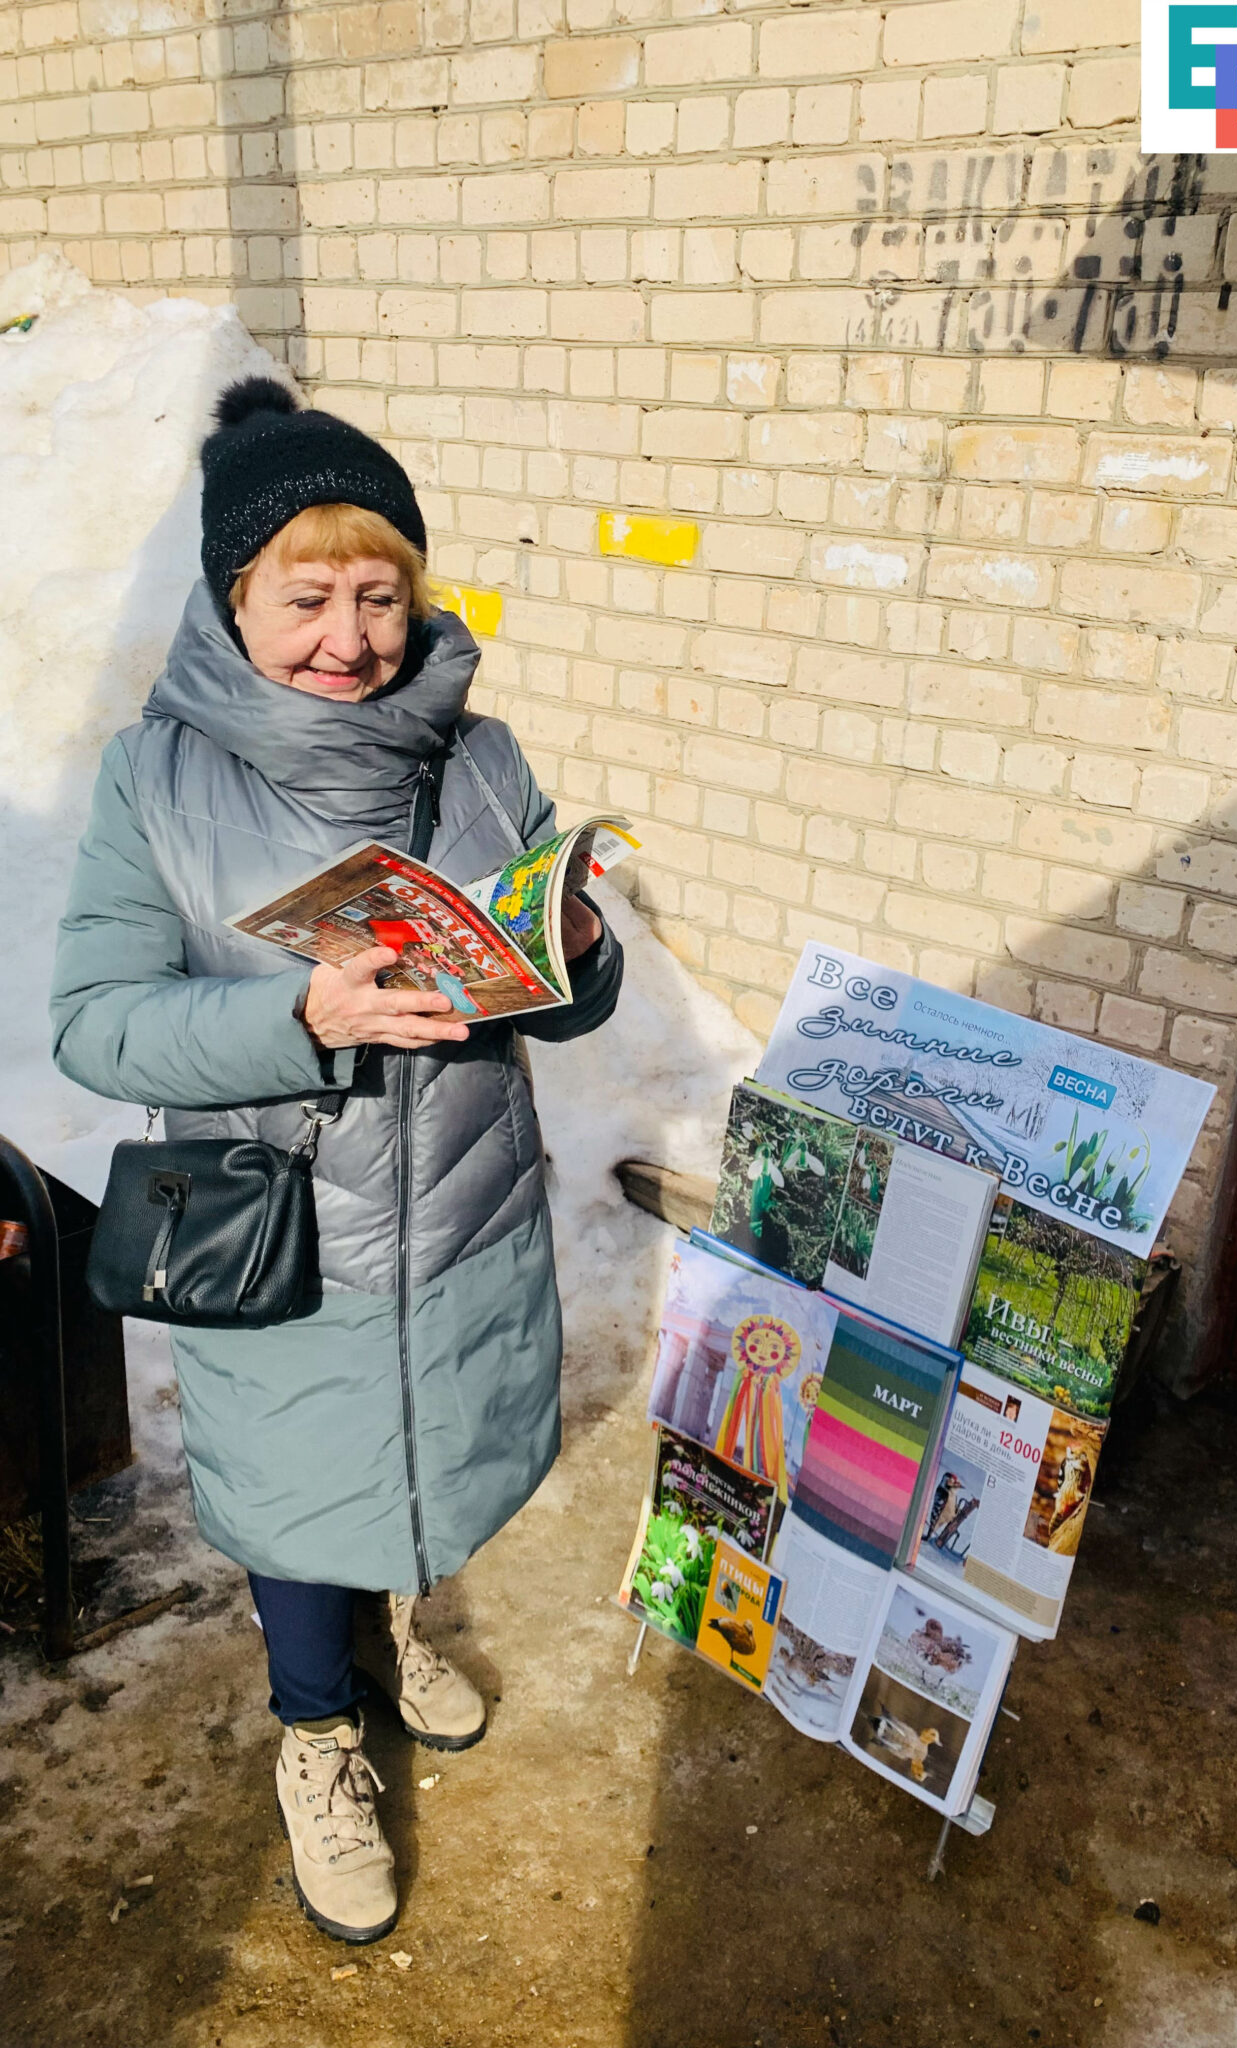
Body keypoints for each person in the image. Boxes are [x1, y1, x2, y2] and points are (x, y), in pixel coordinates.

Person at [49, 377, 623, 1946]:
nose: (350, 640)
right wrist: (295, 1019)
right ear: (235, 595)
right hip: (283, 1241)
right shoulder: (157, 780)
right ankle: (316, 1730)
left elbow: (561, 999)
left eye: (379, 596)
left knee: (433, 1461)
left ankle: (401, 1631)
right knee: (303, 1502)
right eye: (306, 599)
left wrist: (573, 948)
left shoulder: (481, 758)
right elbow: (95, 1025)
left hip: (464, 1219)